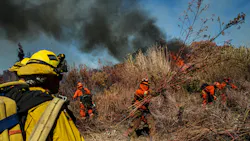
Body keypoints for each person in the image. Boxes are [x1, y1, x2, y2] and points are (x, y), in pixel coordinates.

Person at [0, 50, 84, 141]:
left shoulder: (9, 99)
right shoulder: (51, 108)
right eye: (59, 77)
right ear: (49, 77)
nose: (59, 81)